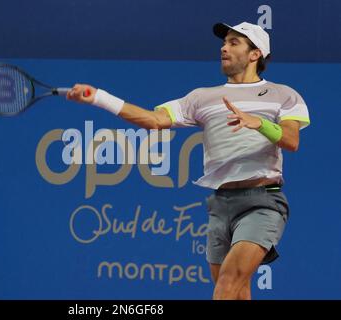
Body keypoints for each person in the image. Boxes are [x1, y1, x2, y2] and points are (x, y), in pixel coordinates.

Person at [66, 22, 310, 300]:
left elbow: (291, 141)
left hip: (263, 202)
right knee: (237, 291)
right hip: (220, 204)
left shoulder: (283, 94)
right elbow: (154, 120)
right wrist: (99, 97)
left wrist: (258, 123)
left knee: (228, 285)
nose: (223, 47)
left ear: (255, 54)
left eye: (233, 42)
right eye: (224, 42)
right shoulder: (201, 97)